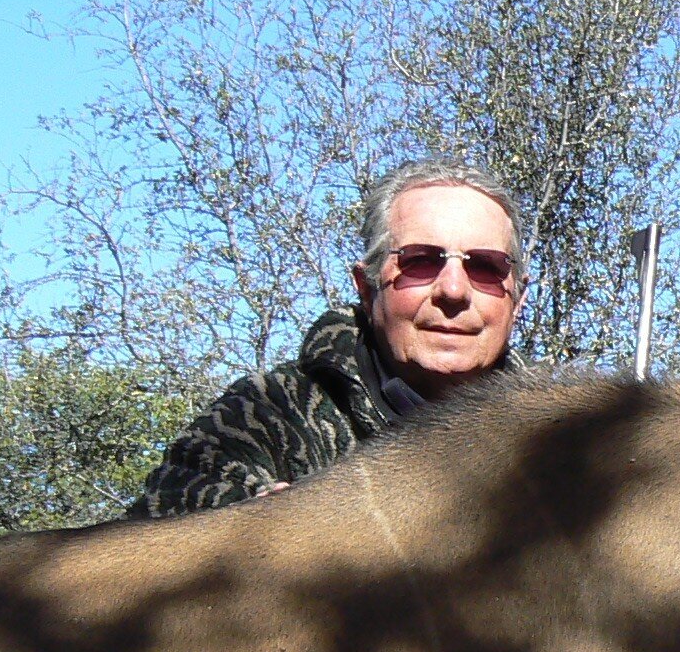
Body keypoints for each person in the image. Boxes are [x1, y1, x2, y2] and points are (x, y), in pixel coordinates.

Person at [126, 161, 525, 518]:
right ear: (367, 289)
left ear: (518, 299)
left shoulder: (568, 441)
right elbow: (156, 532)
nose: (453, 290)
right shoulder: (268, 412)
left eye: (486, 268)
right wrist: (254, 527)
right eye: (419, 262)